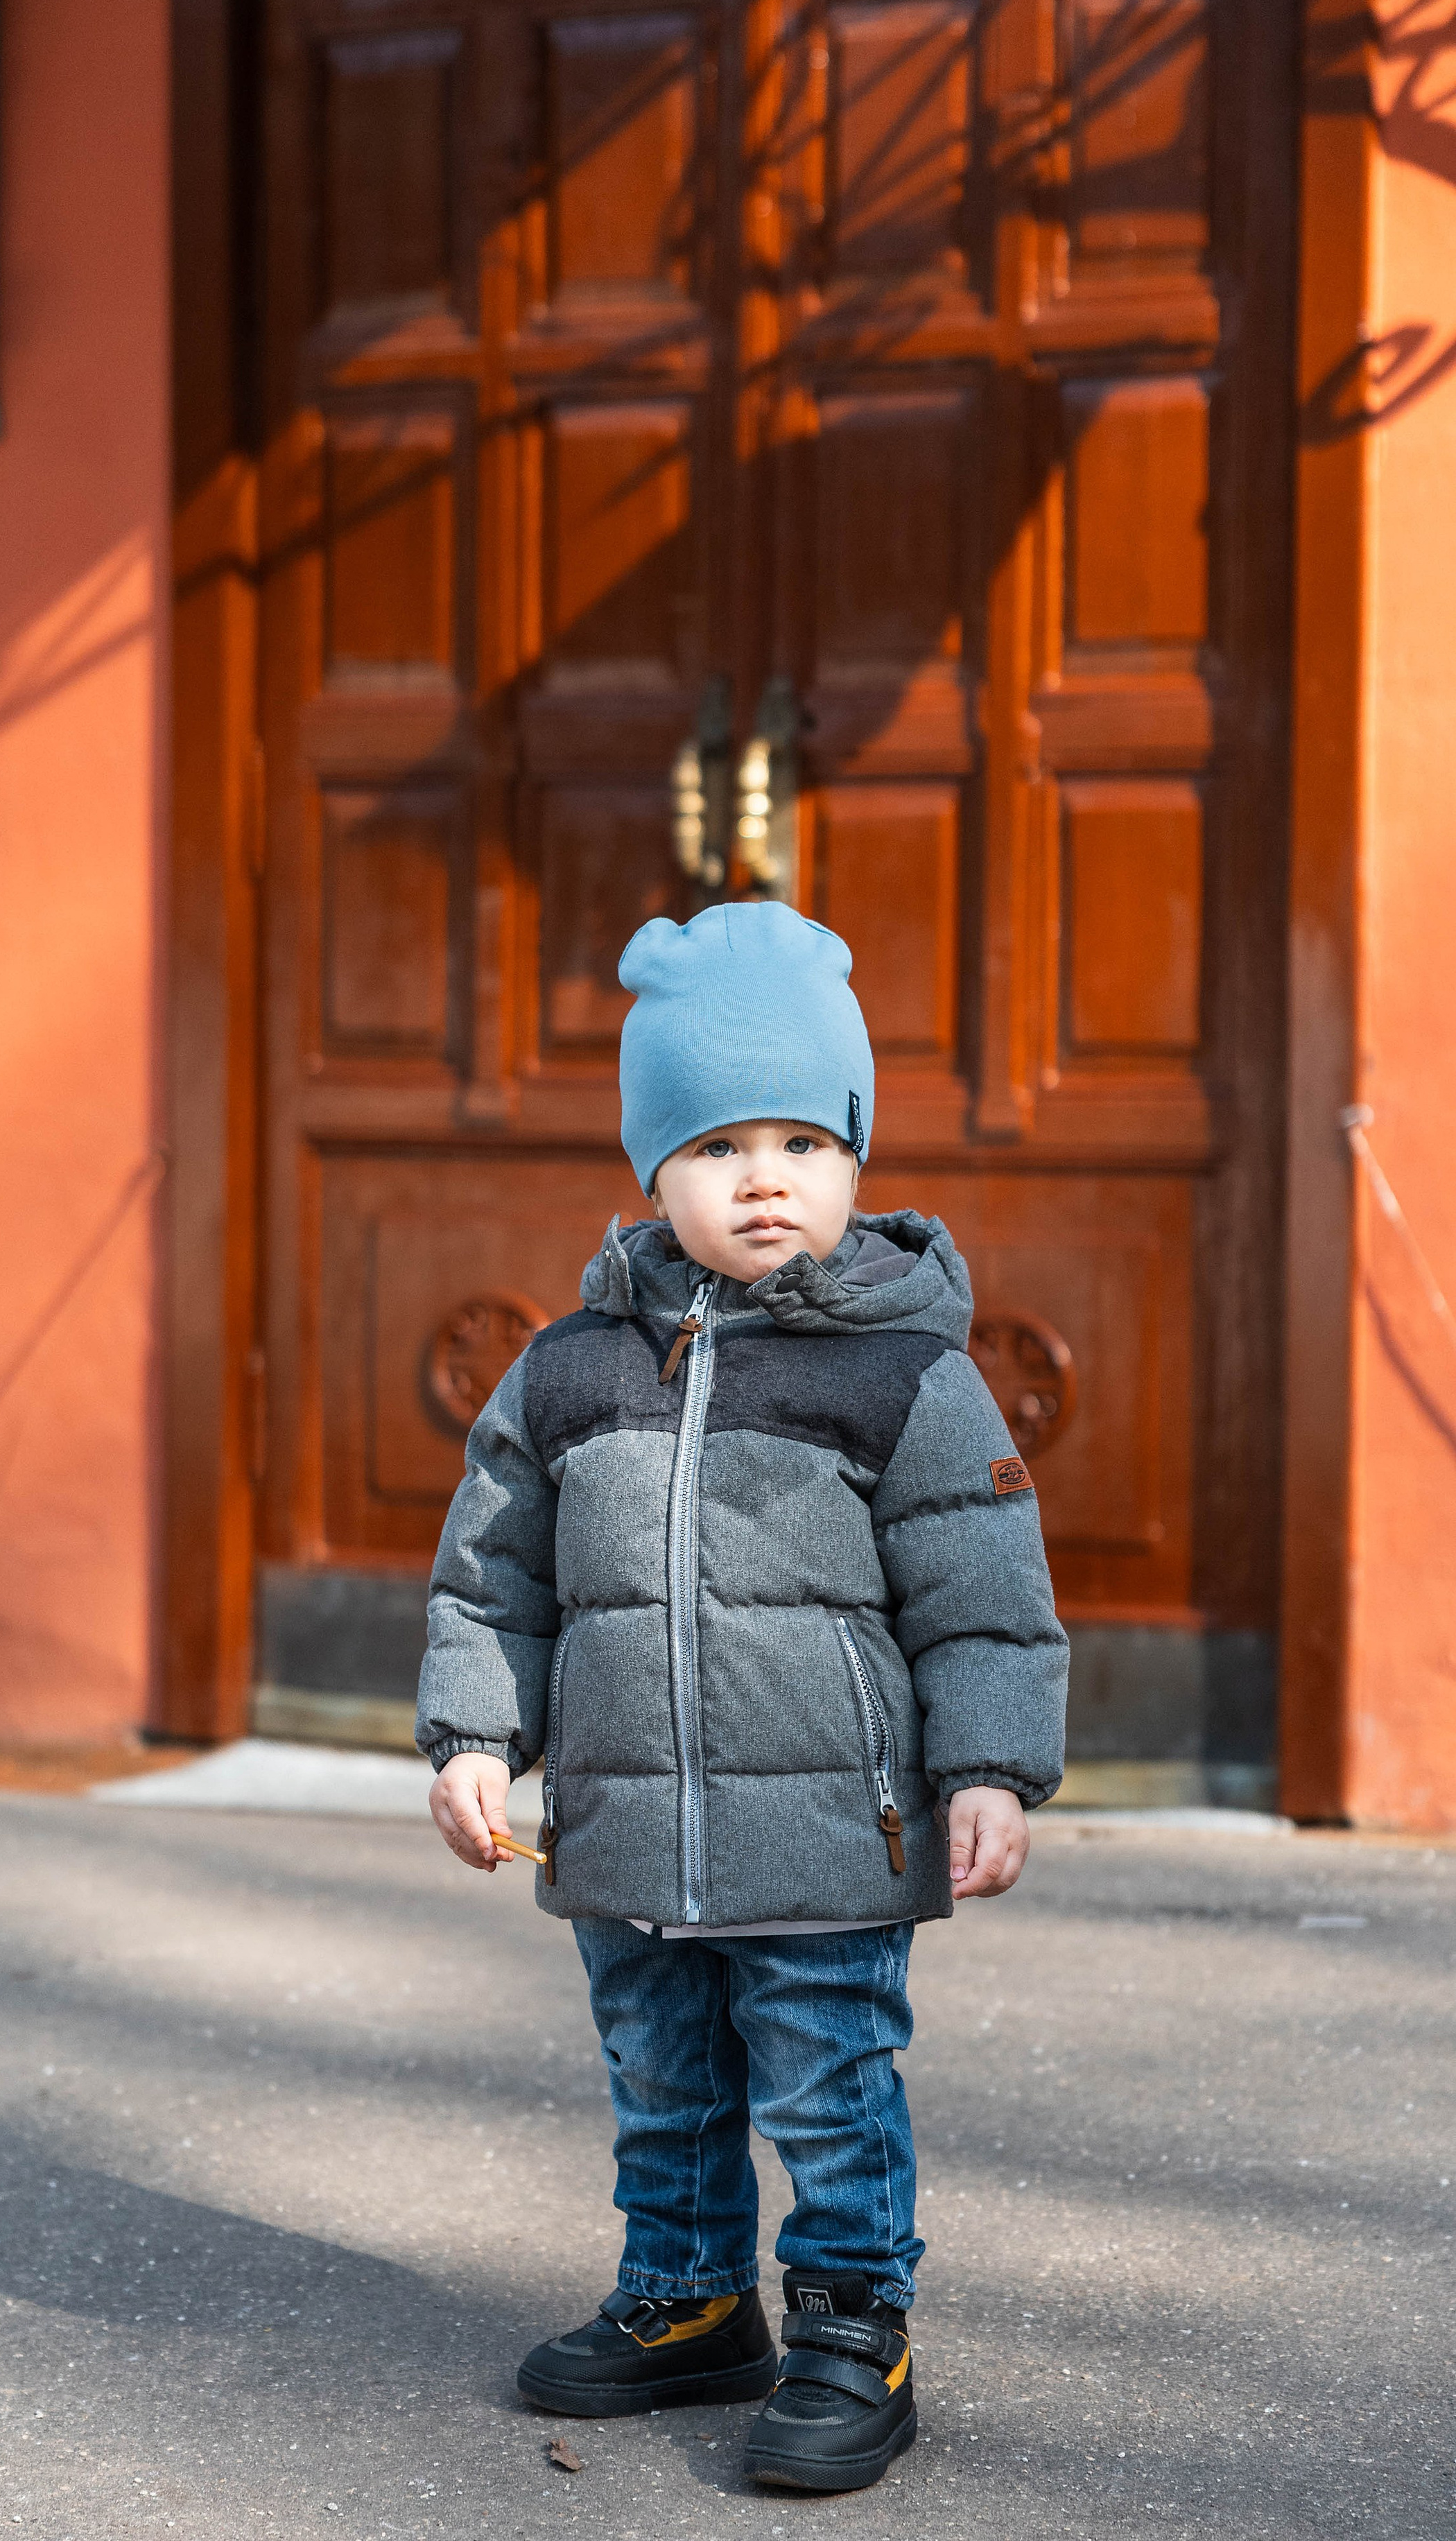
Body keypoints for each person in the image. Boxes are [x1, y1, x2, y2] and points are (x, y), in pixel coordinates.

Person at [415, 901, 1068, 2495]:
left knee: (825, 2088)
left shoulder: (904, 1373)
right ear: (653, 1171)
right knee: (662, 2082)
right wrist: (476, 1732)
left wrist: (987, 1766)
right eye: (715, 1143)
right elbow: (492, 1570)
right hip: (631, 1828)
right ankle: (688, 2296)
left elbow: (982, 1593)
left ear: (852, 1154)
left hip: (826, 1840)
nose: (762, 1175)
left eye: (799, 1138)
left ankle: (853, 2328)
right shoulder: (567, 1370)